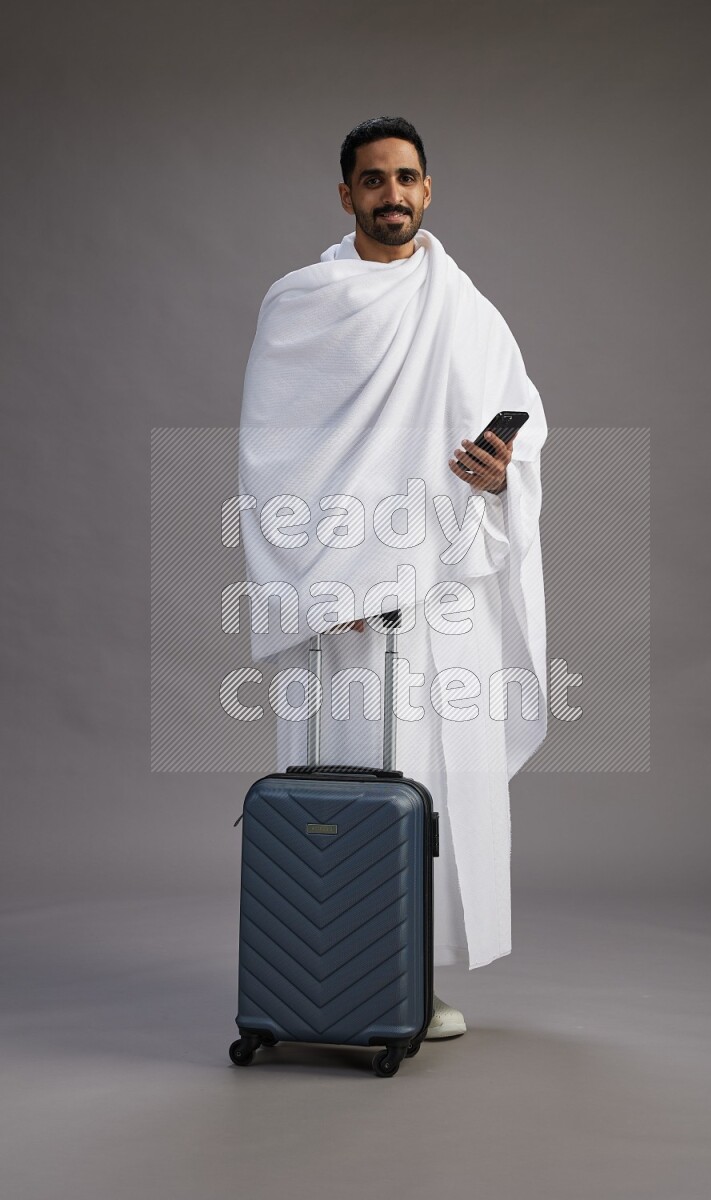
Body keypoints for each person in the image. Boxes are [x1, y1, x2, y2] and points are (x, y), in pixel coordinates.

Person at [238, 117, 548, 1040]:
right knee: (346, 781)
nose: (393, 196)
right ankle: (330, 974)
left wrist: (501, 480)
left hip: (441, 593)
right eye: (373, 181)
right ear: (346, 195)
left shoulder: (467, 309)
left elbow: (521, 428)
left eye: (408, 178)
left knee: (430, 780)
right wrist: (326, 585)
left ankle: (408, 978)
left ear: (428, 188)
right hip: (342, 606)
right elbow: (272, 462)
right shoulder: (301, 303)